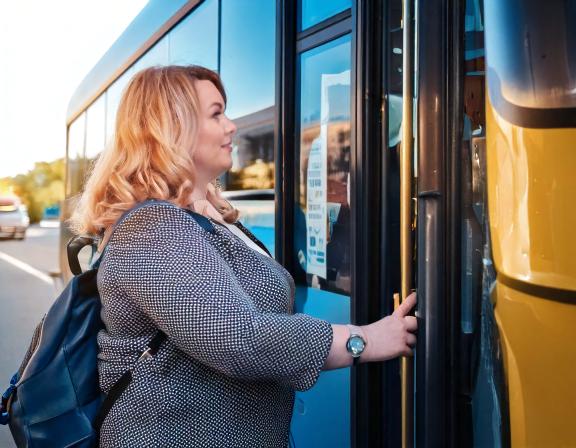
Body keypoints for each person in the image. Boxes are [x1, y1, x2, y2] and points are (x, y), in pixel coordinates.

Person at [69, 65, 417, 448]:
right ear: (171, 127)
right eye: (216, 114)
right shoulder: (152, 228)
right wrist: (364, 340)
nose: (232, 126)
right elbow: (240, 338)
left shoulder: (206, 218)